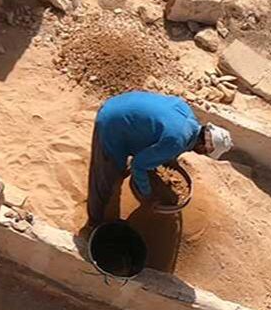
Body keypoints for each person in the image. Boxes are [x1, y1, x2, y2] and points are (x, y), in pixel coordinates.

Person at [85, 91, 232, 226]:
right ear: (202, 146)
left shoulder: (187, 113)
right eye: (204, 152)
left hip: (118, 103)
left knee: (138, 156)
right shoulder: (176, 142)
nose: (201, 154)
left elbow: (161, 129)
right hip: (111, 123)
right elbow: (139, 166)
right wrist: (147, 195)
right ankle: (95, 221)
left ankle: (121, 167)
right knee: (105, 177)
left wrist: (165, 157)